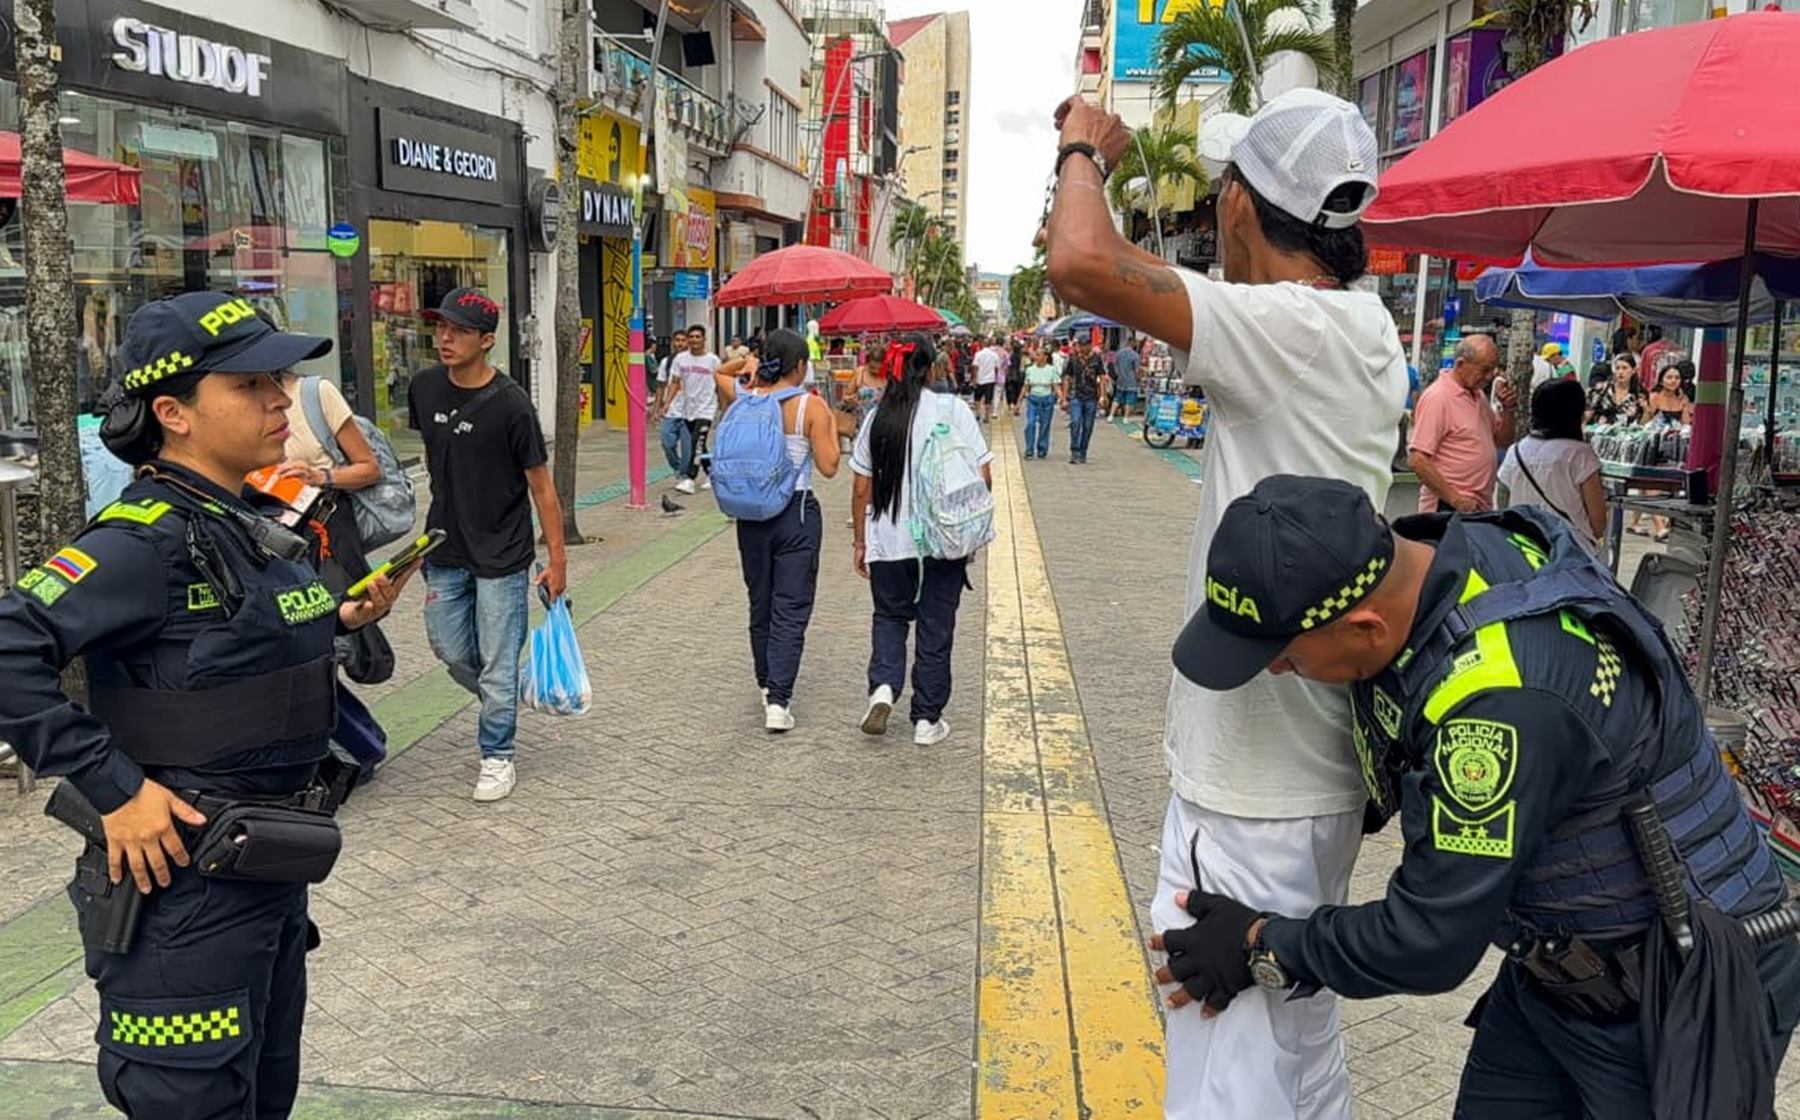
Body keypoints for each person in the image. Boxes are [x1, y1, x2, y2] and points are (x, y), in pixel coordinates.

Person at [1158, 473, 1800, 1120]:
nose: (1275, 671)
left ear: (1366, 628)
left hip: (1681, 986)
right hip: (1560, 975)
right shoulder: (1450, 552)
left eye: (1290, 659)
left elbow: (1428, 941)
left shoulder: (1495, 715)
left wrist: (1263, 941)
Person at [1044, 88, 1406, 1117]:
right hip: (1295, 780)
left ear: (1242, 203)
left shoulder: (1292, 329)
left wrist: (1084, 145)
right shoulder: (1354, 329)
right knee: (1290, 1055)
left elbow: (1078, 261)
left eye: (1218, 191)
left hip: (1254, 791)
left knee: (1229, 1073)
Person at [0, 291, 407, 1117]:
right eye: (250, 385)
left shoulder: (237, 518)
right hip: (182, 895)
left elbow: (213, 647)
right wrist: (112, 788)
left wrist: (335, 615)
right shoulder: (141, 538)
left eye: (279, 380)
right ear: (173, 413)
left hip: (267, 872)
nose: (278, 399)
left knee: (265, 1094)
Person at [409, 287, 566, 803]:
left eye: (458, 330)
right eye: (441, 327)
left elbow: (541, 486)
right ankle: (503, 694)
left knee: (498, 661)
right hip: (445, 548)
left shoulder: (513, 405)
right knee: (449, 648)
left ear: (488, 341)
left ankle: (497, 754)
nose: (445, 337)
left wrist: (558, 560)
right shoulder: (425, 388)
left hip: (503, 553)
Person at [851, 334, 991, 747]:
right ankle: (927, 720)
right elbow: (983, 476)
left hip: (889, 542)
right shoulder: (955, 410)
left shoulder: (879, 416)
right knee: (935, 626)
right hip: (943, 542)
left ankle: (883, 688)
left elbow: (862, 487)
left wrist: (860, 541)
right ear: (933, 368)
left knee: (890, 617)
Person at [711, 330, 841, 732]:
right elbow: (830, 465)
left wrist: (747, 363)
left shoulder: (746, 395)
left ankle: (766, 683)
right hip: (795, 514)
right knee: (791, 606)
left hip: (749, 516)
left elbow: (718, 372)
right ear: (800, 366)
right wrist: (832, 424)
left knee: (760, 602)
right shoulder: (810, 407)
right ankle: (779, 702)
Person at [275, 372, 384, 584]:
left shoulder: (314, 393)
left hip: (325, 525)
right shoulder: (232, 404)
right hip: (268, 527)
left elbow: (370, 469)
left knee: (346, 608)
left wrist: (319, 477)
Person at [1497, 379, 1608, 557]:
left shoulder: (1516, 451)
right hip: (1571, 552)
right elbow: (1598, 522)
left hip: (1525, 550)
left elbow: (1505, 501)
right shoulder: (1580, 455)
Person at [1411, 334, 1518, 513]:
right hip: (1449, 506)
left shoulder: (1477, 395)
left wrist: (1508, 410)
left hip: (1476, 506)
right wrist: (1456, 499)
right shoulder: (1439, 397)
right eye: (1484, 370)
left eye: (1493, 370)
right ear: (1461, 364)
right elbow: (1418, 459)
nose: (1490, 377)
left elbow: (1501, 441)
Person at [661, 326, 722, 495]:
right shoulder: (681, 359)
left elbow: (720, 384)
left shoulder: (713, 360)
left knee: (697, 442)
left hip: (707, 409)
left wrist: (725, 406)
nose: (694, 340)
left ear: (704, 339)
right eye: (692, 337)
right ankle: (712, 474)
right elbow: (674, 382)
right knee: (699, 445)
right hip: (688, 409)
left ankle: (689, 478)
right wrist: (667, 403)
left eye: (698, 337)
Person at [1061, 333, 1105, 464]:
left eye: (1087, 345)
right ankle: (1074, 451)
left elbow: (1102, 377)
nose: (1084, 348)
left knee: (1088, 426)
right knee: (1075, 422)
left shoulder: (1097, 359)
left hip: (1091, 397)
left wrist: (1102, 395)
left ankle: (1083, 451)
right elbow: (1067, 378)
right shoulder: (1073, 359)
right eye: (1082, 345)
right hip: (1076, 396)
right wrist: (1064, 397)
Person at [1022, 346, 1061, 460]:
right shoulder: (1030, 369)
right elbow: (1025, 386)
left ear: (1045, 357)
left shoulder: (1051, 370)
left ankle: (1042, 449)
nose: (1036, 357)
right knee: (1031, 424)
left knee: (1045, 425)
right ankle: (1029, 449)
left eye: (1039, 355)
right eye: (1036, 354)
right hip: (1033, 399)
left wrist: (1062, 398)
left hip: (1047, 400)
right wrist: (1018, 402)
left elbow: (1056, 386)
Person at [1587, 354, 1644, 426]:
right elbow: (1589, 411)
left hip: (1626, 434)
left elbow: (1642, 421)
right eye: (1617, 368)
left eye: (1625, 368)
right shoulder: (1602, 390)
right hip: (1599, 432)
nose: (1620, 372)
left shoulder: (1638, 394)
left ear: (1633, 370)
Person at [1109, 333, 1141, 421]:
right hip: (1131, 381)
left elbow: (1115, 365)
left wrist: (1118, 374)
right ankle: (1125, 418)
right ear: (1133, 343)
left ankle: (1111, 416)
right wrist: (1138, 379)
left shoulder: (1119, 353)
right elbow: (1137, 370)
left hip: (1120, 379)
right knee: (1129, 400)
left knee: (1117, 398)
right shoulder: (1135, 356)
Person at [972, 336, 1002, 422]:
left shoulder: (978, 354)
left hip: (979, 379)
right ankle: (986, 417)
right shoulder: (994, 355)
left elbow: (975, 367)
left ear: (983, 344)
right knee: (988, 399)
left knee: (977, 397)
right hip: (990, 379)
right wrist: (995, 376)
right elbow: (997, 368)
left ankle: (978, 413)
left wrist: (974, 378)